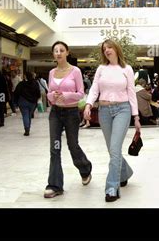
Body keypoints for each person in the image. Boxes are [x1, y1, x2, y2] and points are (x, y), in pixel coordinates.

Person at [84, 39, 141, 202]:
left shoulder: (127, 69)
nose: (107, 50)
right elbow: (95, 88)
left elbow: (131, 93)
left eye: (109, 47)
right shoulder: (101, 69)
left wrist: (136, 116)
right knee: (112, 150)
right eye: (104, 49)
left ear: (116, 49)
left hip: (122, 110)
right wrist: (88, 104)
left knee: (115, 149)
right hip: (104, 111)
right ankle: (125, 172)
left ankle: (111, 187)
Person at [44, 41, 93, 199]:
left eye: (61, 50)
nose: (58, 53)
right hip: (55, 113)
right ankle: (55, 185)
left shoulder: (75, 71)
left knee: (73, 145)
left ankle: (85, 168)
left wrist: (66, 96)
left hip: (71, 113)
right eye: (55, 51)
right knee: (55, 148)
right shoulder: (52, 72)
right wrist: (53, 96)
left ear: (67, 52)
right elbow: (49, 94)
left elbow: (80, 93)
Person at [13, 71, 41, 136]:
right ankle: (28, 128)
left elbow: (16, 93)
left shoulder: (21, 84)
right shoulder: (35, 83)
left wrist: (15, 103)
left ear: (25, 76)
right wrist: (36, 99)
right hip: (32, 102)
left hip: (23, 102)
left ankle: (27, 129)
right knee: (29, 115)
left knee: (25, 115)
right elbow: (38, 93)